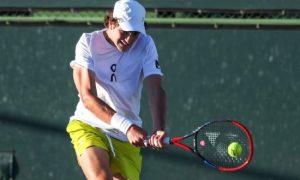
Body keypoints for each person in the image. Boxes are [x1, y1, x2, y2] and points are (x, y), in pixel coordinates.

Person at [66, 0, 167, 179]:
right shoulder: (87, 42)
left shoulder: (146, 44)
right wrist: (127, 127)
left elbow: (155, 89)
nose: (129, 39)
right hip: (90, 125)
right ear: (112, 22)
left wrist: (159, 128)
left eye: (134, 34)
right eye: (125, 32)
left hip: (126, 139)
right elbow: (87, 97)